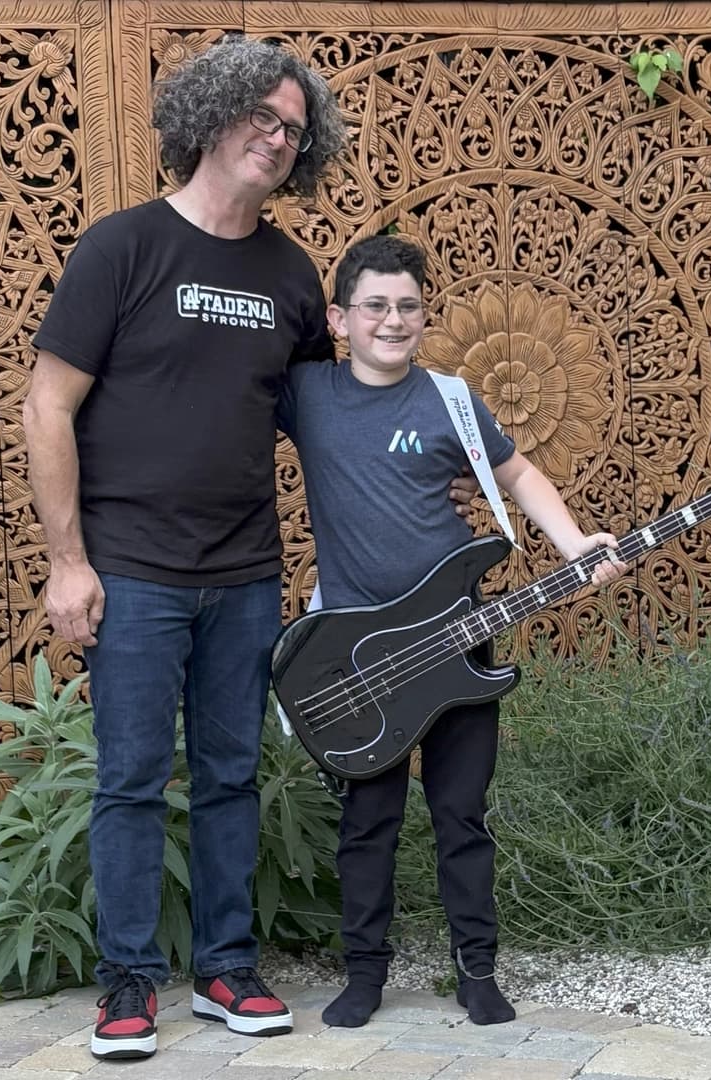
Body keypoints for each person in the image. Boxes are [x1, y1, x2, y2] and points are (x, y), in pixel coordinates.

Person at [22, 36, 476, 1062]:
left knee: (230, 773)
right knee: (133, 779)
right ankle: (129, 987)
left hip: (243, 572)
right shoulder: (122, 247)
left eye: (294, 130)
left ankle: (227, 968)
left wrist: (433, 462)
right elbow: (47, 405)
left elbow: (335, 409)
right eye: (263, 118)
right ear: (213, 115)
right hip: (131, 569)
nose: (278, 139)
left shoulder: (290, 271)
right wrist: (67, 560)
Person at [277, 235, 626, 1029]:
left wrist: (576, 546)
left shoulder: (452, 401)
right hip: (358, 658)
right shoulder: (307, 394)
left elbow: (518, 476)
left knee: (462, 815)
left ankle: (477, 971)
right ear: (340, 319)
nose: (392, 322)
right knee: (369, 822)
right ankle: (363, 974)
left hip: (459, 640)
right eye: (375, 307)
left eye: (407, 306)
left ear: (423, 314)